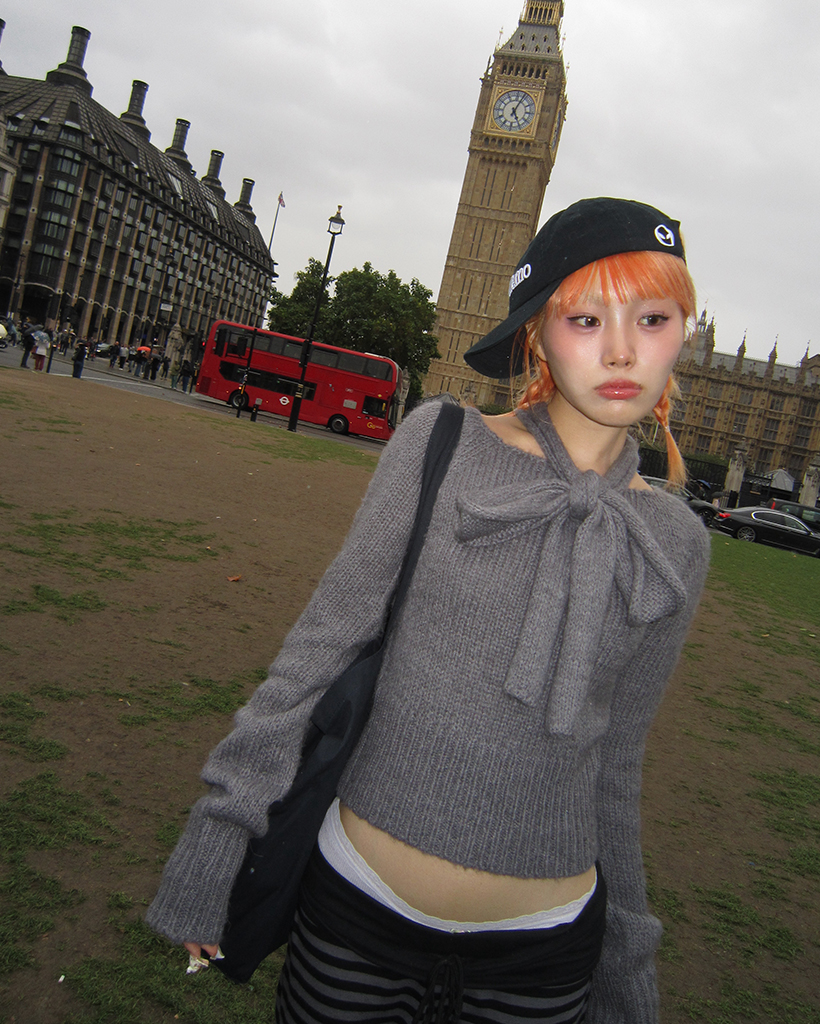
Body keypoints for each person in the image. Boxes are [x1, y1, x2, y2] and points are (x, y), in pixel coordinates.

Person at [147, 198, 710, 1023]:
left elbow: (617, 766)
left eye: (653, 318)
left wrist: (626, 969)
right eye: (586, 319)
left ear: (683, 332)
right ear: (538, 334)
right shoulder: (441, 445)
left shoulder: (675, 543)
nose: (622, 349)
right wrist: (220, 835)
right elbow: (316, 659)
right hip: (357, 917)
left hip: (545, 956)